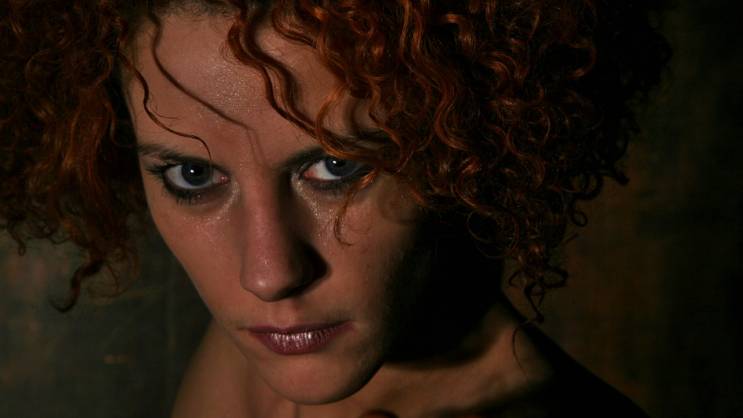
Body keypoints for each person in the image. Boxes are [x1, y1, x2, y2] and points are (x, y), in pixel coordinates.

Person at [1, 1, 670, 417]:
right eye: (193, 175)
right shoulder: (272, 343)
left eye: (336, 167)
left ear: (466, 138)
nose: (268, 274)